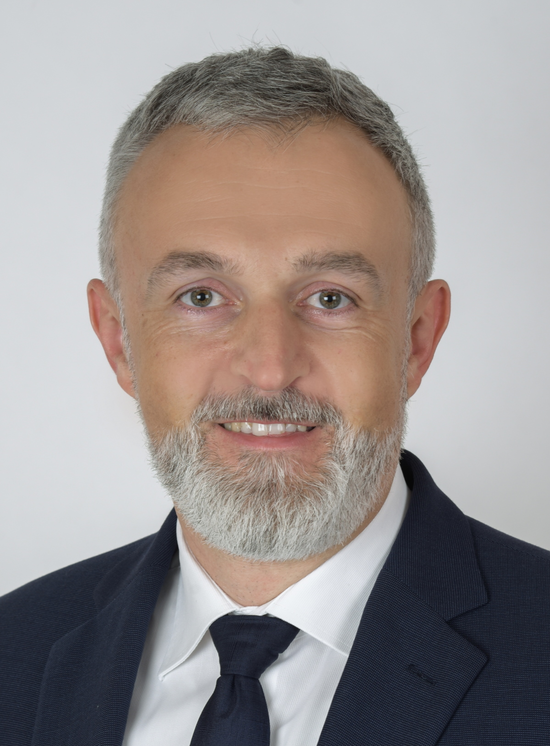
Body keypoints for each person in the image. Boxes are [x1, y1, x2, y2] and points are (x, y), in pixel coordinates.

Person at [1, 46, 549, 746]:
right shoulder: (12, 653)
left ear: (417, 339)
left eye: (331, 297)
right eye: (201, 297)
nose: (268, 370)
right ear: (118, 340)